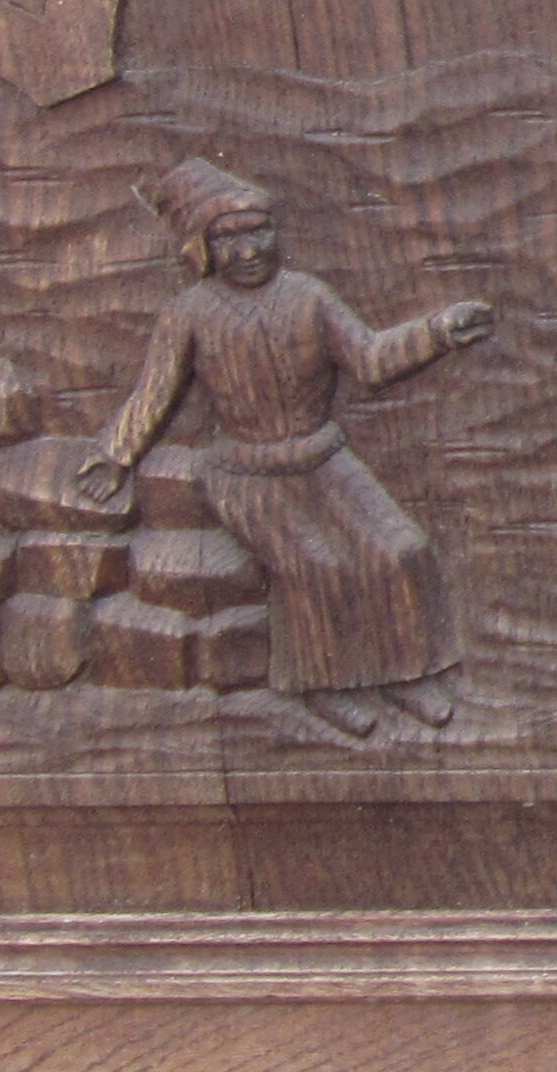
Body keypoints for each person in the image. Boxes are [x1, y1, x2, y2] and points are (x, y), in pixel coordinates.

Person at [79, 157, 494, 740]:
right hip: (247, 475)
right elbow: (153, 395)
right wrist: (116, 455)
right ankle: (323, 686)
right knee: (316, 567)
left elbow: (371, 361)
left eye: (258, 232)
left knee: (400, 548)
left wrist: (440, 331)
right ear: (201, 247)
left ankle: (406, 674)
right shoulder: (189, 313)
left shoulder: (308, 295)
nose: (248, 251)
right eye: (228, 238)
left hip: (323, 459)